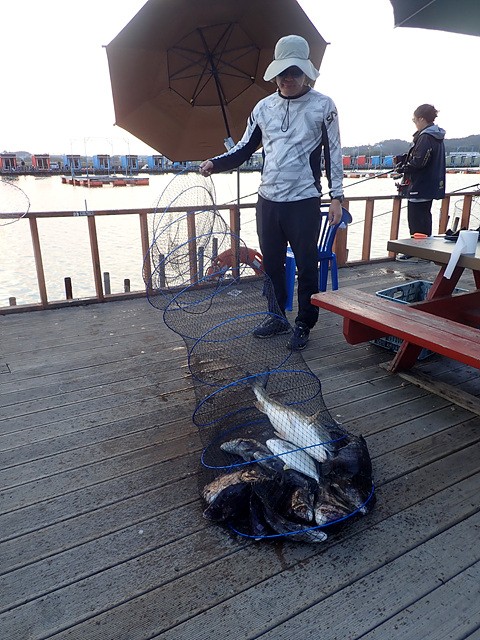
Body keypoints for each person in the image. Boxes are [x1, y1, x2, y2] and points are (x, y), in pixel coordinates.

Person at [200, 35, 344, 351]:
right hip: (268, 201)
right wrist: (216, 162)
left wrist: (337, 196)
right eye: (282, 72)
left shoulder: (324, 106)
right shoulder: (263, 108)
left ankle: (304, 322)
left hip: (303, 200)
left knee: (307, 265)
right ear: (275, 74)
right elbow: (244, 148)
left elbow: (334, 152)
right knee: (273, 265)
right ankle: (276, 316)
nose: (287, 78)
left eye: (294, 72)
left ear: (306, 73)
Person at [395, 104, 446, 261]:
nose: (414, 123)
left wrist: (403, 168)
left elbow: (419, 162)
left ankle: (417, 252)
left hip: (420, 185)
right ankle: (425, 252)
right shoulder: (436, 136)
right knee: (424, 218)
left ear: (422, 119)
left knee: (416, 220)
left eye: (414, 119)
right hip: (430, 186)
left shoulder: (425, 137)